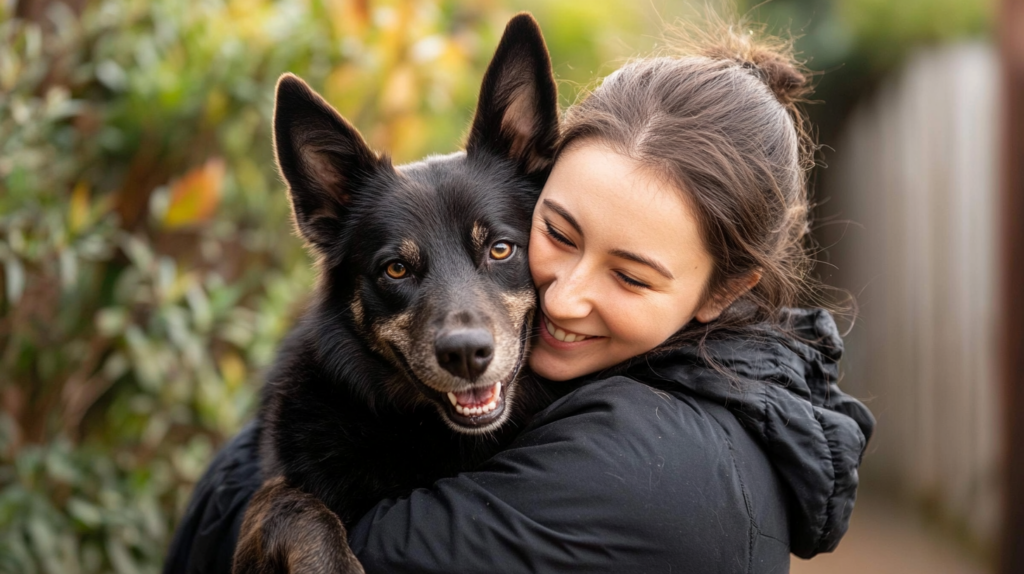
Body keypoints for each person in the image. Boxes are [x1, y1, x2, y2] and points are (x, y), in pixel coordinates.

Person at [165, 18, 874, 574]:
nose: (564, 299)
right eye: (556, 235)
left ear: (722, 291)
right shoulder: (661, 375)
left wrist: (269, 497)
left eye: (629, 276)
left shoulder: (643, 463)